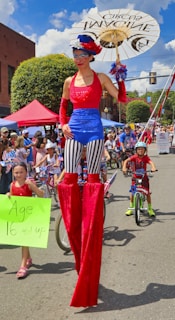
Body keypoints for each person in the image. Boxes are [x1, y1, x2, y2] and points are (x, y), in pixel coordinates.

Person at [58, 34, 123, 307]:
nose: (77, 57)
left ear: (91, 56)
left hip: (95, 131)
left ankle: (95, 214)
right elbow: (63, 106)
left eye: (82, 53)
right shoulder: (68, 81)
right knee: (69, 179)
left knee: (93, 181)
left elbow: (121, 99)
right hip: (74, 131)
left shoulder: (100, 78)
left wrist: (120, 75)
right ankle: (73, 232)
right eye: (75, 53)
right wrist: (62, 124)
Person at [7, 162, 44, 278]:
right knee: (22, 240)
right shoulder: (12, 185)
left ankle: (23, 266)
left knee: (24, 240)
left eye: (21, 172)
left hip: (29, 215)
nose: (18, 175)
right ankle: (28, 258)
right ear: (13, 173)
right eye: (16, 172)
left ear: (26, 173)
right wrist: (9, 195)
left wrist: (33, 186)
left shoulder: (29, 183)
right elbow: (13, 201)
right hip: (18, 217)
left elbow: (41, 195)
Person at [122, 141, 157, 217]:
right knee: (132, 192)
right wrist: (124, 167)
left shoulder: (146, 157)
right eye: (139, 149)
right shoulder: (134, 157)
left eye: (142, 149)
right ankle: (131, 208)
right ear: (136, 150)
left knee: (147, 193)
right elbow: (126, 161)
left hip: (144, 178)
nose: (140, 150)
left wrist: (153, 167)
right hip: (135, 177)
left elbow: (151, 162)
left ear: (145, 150)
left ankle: (150, 208)